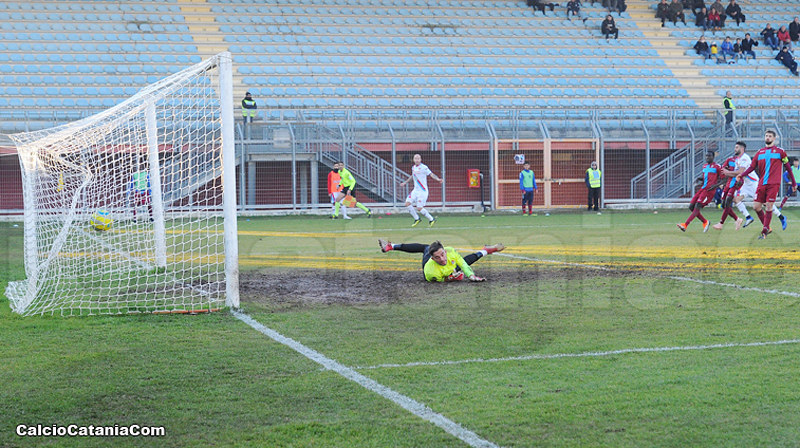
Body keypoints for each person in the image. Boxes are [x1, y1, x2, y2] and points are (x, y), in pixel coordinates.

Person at [736, 130, 797, 238]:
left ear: (774, 138)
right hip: (762, 183)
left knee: (769, 206)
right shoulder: (760, 152)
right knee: (756, 207)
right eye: (766, 136)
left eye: (770, 136)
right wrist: (742, 175)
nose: (768, 138)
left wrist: (793, 183)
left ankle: (765, 231)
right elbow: (751, 167)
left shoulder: (780, 152)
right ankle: (773, 223)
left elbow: (788, 167)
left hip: (773, 184)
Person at [378, 239, 505, 282]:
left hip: (448, 269)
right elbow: (437, 281)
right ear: (433, 258)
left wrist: (471, 276)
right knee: (426, 248)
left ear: (445, 250)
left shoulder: (450, 251)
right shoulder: (430, 271)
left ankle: (485, 251)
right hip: (434, 270)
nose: (443, 259)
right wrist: (450, 278)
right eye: (438, 257)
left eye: (443, 254)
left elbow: (463, 263)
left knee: (460, 263)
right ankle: (392, 246)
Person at [677, 151, 722, 232]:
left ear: (713, 157)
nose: (707, 157)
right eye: (706, 156)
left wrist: (715, 186)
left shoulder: (717, 166)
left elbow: (724, 179)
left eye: (709, 156)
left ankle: (685, 225)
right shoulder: (704, 166)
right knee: (691, 206)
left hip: (709, 191)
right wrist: (699, 179)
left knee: (697, 206)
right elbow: (706, 177)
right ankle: (705, 222)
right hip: (702, 189)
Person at [400, 153, 443, 227]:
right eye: (415, 158)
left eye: (418, 158)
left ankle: (431, 219)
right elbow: (413, 176)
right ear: (413, 160)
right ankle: (417, 219)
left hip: (422, 191)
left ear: (420, 159)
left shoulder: (424, 167)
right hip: (415, 190)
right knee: (407, 203)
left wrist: (438, 179)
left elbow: (431, 174)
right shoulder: (413, 167)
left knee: (419, 208)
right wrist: (405, 182)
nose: (417, 160)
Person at [712, 151, 743, 230]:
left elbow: (742, 172)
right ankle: (737, 219)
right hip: (728, 183)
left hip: (736, 183)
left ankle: (721, 223)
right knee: (724, 204)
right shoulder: (729, 160)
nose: (736, 150)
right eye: (735, 148)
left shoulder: (743, 161)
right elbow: (723, 170)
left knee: (728, 201)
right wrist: (725, 174)